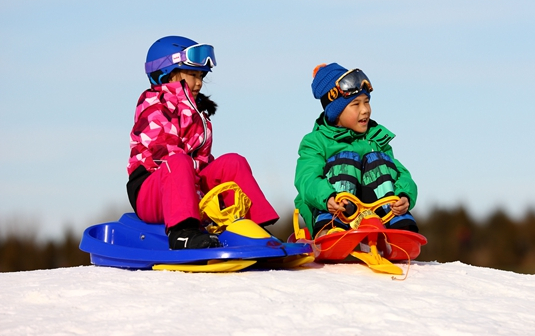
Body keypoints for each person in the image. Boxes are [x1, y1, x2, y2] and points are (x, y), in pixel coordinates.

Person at [126, 35, 279, 250]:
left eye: (201, 76)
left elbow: (203, 161)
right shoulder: (154, 106)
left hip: (190, 184)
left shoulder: (196, 111)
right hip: (153, 190)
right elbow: (165, 158)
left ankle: (254, 229)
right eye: (192, 75)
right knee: (179, 161)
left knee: (233, 162)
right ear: (167, 74)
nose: (199, 82)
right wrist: (202, 197)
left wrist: (215, 185)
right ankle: (183, 233)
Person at [294, 63, 419, 238]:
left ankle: (397, 226)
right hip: (335, 211)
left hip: (376, 216)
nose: (365, 110)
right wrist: (328, 198)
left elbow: (401, 174)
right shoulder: (316, 142)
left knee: (378, 160)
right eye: (356, 104)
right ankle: (331, 226)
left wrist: (404, 196)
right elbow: (306, 178)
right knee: (345, 160)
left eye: (367, 102)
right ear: (335, 112)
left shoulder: (375, 139)